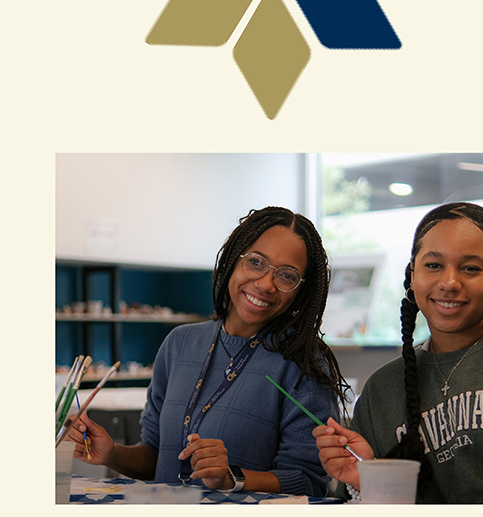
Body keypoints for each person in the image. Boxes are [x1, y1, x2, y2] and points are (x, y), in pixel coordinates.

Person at [65, 206, 348, 496]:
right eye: (255, 262)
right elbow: (156, 455)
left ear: (301, 290)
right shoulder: (179, 343)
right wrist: (112, 454)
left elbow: (308, 481)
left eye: (287, 276)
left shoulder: (302, 363)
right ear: (233, 260)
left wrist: (232, 478)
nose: (265, 284)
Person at [313, 202, 483, 503]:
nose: (450, 283)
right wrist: (367, 478)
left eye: (470, 268)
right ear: (413, 273)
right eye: (433, 265)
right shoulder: (382, 390)